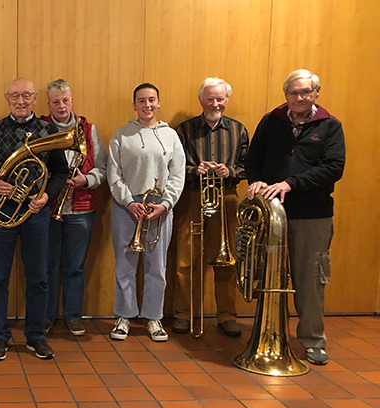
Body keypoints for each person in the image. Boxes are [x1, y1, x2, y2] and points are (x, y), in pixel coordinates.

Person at [245, 69, 345, 366]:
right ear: (285, 94)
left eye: (305, 92)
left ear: (316, 93)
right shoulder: (270, 121)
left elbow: (334, 167)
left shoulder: (329, 125)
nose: (299, 98)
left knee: (309, 279)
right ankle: (269, 335)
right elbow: (253, 159)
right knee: (268, 274)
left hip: (311, 215)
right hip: (272, 213)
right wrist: (256, 180)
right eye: (293, 93)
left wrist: (291, 183)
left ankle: (313, 340)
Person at [0, 78, 68, 361]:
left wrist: (46, 196)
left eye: (26, 95)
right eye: (15, 96)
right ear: (6, 98)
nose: (21, 101)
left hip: (35, 214)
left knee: (38, 278)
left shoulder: (48, 131)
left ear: (35, 98)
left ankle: (36, 336)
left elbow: (60, 172)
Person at [107, 83, 185, 342]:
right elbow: (113, 173)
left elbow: (177, 174)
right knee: (125, 266)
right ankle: (124, 316)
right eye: (141, 101)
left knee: (157, 266)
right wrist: (129, 201)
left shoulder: (171, 136)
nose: (147, 105)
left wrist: (165, 204)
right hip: (127, 208)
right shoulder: (121, 135)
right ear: (134, 105)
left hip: (160, 208)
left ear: (159, 103)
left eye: (152, 100)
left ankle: (154, 318)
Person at [172, 78, 248, 338]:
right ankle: (184, 313)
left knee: (227, 259)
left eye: (220, 98)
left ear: (227, 100)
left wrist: (232, 171)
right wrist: (195, 169)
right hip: (193, 197)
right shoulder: (184, 130)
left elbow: (250, 165)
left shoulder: (239, 130)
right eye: (210, 98)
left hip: (226, 198)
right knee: (187, 258)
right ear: (201, 100)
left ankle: (227, 315)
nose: (216, 103)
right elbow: (172, 166)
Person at [40, 79, 107, 337]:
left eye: (65, 100)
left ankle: (73, 315)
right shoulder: (41, 128)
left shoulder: (88, 130)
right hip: (48, 208)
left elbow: (103, 167)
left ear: (72, 101)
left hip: (81, 208)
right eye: (55, 102)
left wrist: (86, 180)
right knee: (46, 266)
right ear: (48, 104)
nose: (61, 106)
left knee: (75, 266)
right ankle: (45, 315)